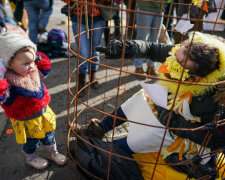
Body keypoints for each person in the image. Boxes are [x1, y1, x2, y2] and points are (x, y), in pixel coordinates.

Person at [75, 32, 225, 179]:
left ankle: (103, 150)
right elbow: (152, 49)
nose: (167, 65)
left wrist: (177, 123)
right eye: (173, 58)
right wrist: (128, 48)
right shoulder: (186, 55)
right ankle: (98, 130)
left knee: (146, 136)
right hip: (172, 110)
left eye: (176, 67)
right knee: (140, 98)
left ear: (195, 79)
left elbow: (216, 140)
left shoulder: (216, 99)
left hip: (189, 138)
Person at [0, 32, 67, 169]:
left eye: (32, 61)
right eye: (26, 63)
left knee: (49, 134)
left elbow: (45, 67)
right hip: (27, 120)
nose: (31, 66)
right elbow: (1, 95)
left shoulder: (33, 71)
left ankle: (52, 152)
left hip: (44, 113)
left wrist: (35, 57)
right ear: (9, 65)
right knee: (33, 141)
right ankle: (31, 157)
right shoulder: (9, 83)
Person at [61, 0, 110, 97]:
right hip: (78, 18)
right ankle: (81, 82)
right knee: (83, 52)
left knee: (95, 49)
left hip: (98, 18)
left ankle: (92, 77)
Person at [134, 0, 165, 79]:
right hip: (145, 7)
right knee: (141, 39)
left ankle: (151, 66)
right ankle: (138, 67)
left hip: (160, 8)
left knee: (155, 40)